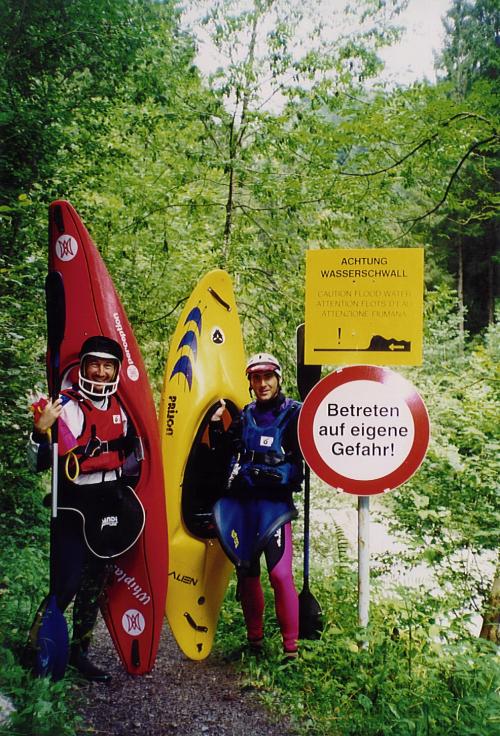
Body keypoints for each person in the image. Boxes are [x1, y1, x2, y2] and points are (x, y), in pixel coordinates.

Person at [28, 335, 142, 682]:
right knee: (66, 583)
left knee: (94, 584)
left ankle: (79, 653)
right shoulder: (65, 407)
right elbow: (37, 463)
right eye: (95, 363)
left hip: (108, 504)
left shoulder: (123, 408)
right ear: (84, 365)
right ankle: (37, 650)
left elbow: (135, 455)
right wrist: (40, 431)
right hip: (74, 506)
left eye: (109, 365)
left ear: (116, 370)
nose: (102, 371)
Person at [210, 352, 303, 661]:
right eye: (256, 378)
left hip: (275, 507)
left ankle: (291, 650)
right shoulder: (245, 415)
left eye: (268, 377)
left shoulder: (295, 414)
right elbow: (225, 451)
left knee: (280, 575)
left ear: (278, 379)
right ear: (250, 382)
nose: (262, 384)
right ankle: (255, 643)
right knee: (247, 572)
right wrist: (215, 428)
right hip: (245, 506)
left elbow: (314, 447)